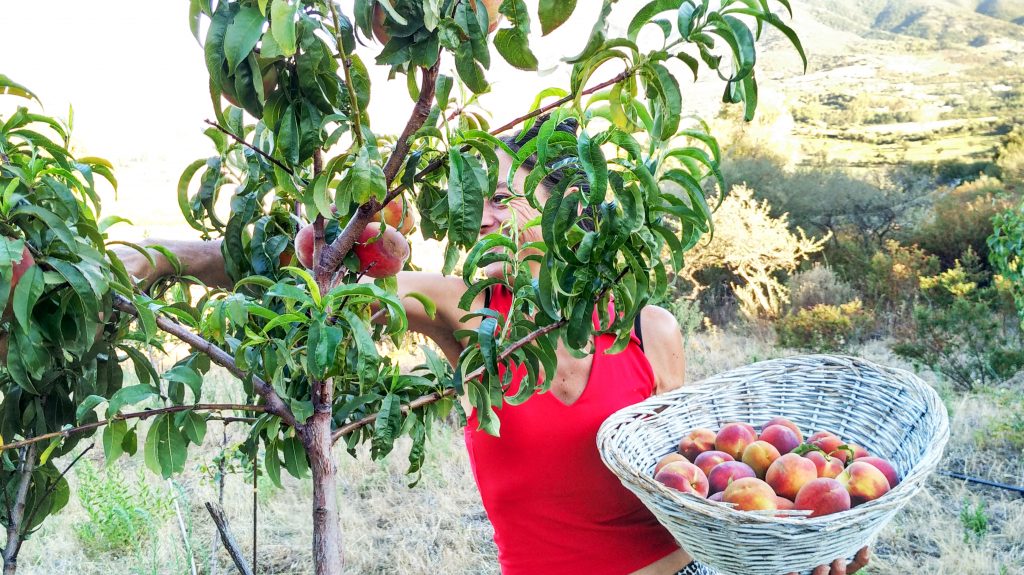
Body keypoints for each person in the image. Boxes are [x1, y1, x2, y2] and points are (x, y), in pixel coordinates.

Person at [117, 119, 868, 575]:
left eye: (502, 201)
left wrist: (806, 534)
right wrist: (163, 259)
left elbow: (698, 490)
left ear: (570, 211)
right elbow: (321, 272)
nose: (479, 219)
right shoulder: (468, 309)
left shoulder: (651, 331)